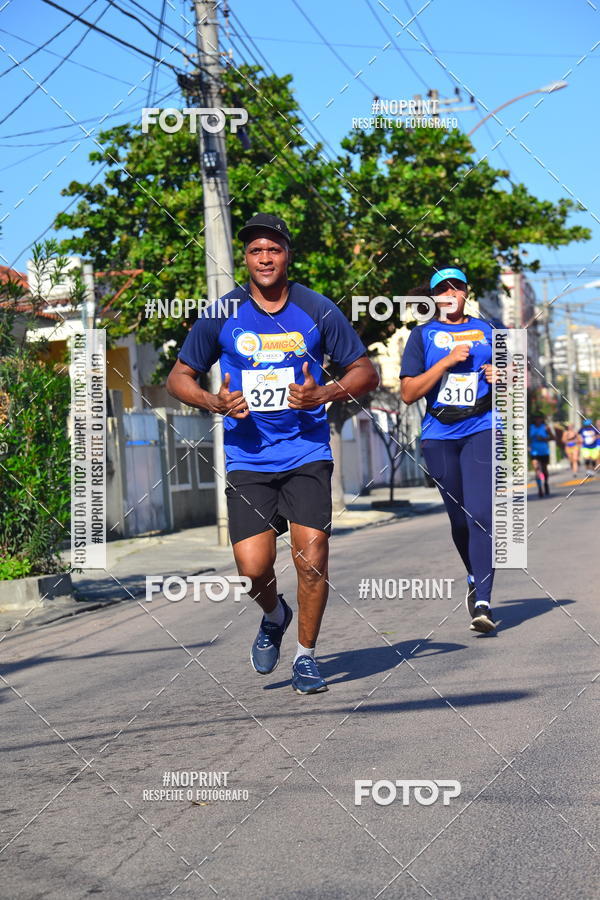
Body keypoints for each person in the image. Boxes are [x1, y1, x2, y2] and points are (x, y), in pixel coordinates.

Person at [166, 213, 378, 694]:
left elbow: (366, 372)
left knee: (312, 556)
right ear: (246, 258)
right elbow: (178, 378)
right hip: (248, 458)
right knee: (253, 568)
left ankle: (306, 656)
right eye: (256, 250)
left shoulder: (318, 310)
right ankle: (274, 615)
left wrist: (322, 394)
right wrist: (213, 401)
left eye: (274, 249)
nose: (265, 258)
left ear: (288, 255)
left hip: (305, 452)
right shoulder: (221, 314)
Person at [400, 266, 497, 634]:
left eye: (457, 288)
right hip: (439, 433)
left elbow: (519, 381)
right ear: (434, 296)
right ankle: (473, 574)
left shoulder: (491, 329)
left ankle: (484, 601)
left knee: (481, 514)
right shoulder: (421, 335)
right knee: (459, 520)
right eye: (443, 289)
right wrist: (444, 362)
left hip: (483, 427)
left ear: (466, 292)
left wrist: (502, 376)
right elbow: (409, 393)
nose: (450, 294)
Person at [529, 413, 555, 497]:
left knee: (544, 470)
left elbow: (553, 438)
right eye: (536, 419)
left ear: (541, 419)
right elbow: (526, 438)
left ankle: (546, 483)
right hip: (534, 452)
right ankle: (540, 488)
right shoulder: (530, 428)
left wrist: (544, 439)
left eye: (539, 418)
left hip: (544, 451)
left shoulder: (545, 427)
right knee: (537, 469)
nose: (538, 420)